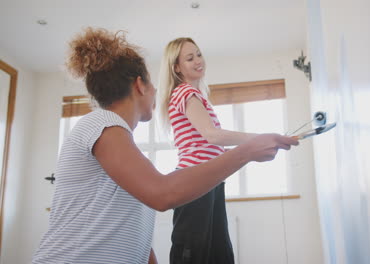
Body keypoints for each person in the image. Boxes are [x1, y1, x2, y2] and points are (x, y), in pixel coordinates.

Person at [31, 28, 298, 264]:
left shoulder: (123, 150)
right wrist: (248, 150)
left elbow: (131, 231)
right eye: (153, 85)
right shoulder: (101, 124)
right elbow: (162, 194)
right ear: (140, 86)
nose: (158, 93)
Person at [158, 37, 287, 264]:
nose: (198, 60)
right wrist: (257, 139)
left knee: (219, 254)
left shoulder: (197, 96)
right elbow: (212, 135)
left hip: (209, 181)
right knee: (193, 254)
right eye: (190, 58)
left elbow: (210, 145)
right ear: (176, 67)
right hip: (195, 181)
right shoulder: (185, 92)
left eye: (198, 54)